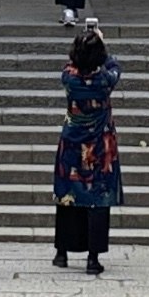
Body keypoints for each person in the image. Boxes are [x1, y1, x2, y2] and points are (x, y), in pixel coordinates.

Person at [51, 22, 119, 275]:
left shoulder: (69, 78)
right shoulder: (104, 80)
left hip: (71, 142)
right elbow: (114, 66)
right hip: (99, 145)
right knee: (98, 198)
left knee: (68, 193)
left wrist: (87, 44)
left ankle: (62, 251)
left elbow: (72, 64)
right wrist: (101, 43)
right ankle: (93, 257)